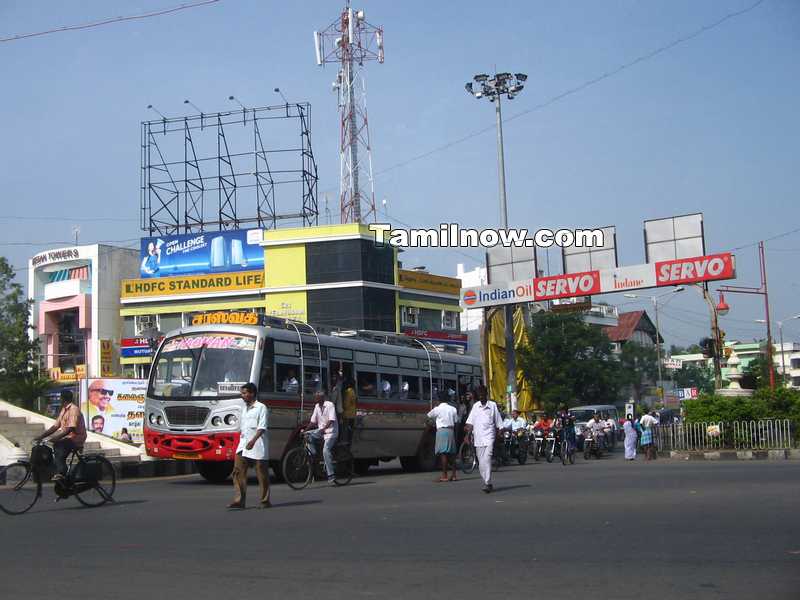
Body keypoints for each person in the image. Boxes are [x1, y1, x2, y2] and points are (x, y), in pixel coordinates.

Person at [229, 383, 271, 509]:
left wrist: (253, 441)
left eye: (244, 393)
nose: (242, 396)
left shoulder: (261, 407)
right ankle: (239, 500)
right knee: (237, 472)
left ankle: (265, 501)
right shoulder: (244, 409)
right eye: (242, 393)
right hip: (243, 446)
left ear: (252, 393)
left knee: (262, 475)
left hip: (257, 445)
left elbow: (262, 427)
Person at [35, 389, 87, 480]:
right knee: (55, 447)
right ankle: (60, 471)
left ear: (63, 399)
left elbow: (71, 428)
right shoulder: (64, 410)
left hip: (76, 438)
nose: (59, 400)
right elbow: (55, 426)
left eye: (60, 398)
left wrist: (56, 438)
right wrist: (41, 436)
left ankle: (62, 473)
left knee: (58, 445)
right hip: (69, 437)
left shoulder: (73, 410)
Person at [464, 385, 503, 493]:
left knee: (487, 459)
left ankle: (487, 483)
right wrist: (467, 435)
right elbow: (470, 423)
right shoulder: (476, 406)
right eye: (479, 394)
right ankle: (488, 483)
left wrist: (500, 432)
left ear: (486, 394)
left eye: (482, 394)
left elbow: (498, 422)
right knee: (481, 463)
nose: (481, 396)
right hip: (478, 439)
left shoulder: (493, 405)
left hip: (489, 437)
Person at [305, 389, 339, 484]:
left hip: (331, 432)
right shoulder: (317, 406)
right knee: (307, 435)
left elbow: (331, 420)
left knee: (325, 450)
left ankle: (331, 475)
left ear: (322, 398)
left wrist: (324, 429)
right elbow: (313, 422)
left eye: (317, 397)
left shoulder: (330, 405)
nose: (315, 399)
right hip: (321, 431)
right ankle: (313, 454)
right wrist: (306, 430)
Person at [427, 397, 458, 482]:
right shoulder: (453, 409)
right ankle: (454, 475)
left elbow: (428, 416)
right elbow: (456, 421)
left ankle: (444, 476)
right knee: (452, 454)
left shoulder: (437, 409)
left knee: (443, 454)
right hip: (451, 431)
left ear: (438, 400)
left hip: (441, 431)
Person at [341, 377, 357, 445]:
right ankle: (350, 441)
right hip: (352, 413)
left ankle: (345, 442)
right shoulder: (353, 391)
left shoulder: (348, 392)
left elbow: (346, 405)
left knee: (345, 429)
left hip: (347, 414)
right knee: (350, 429)